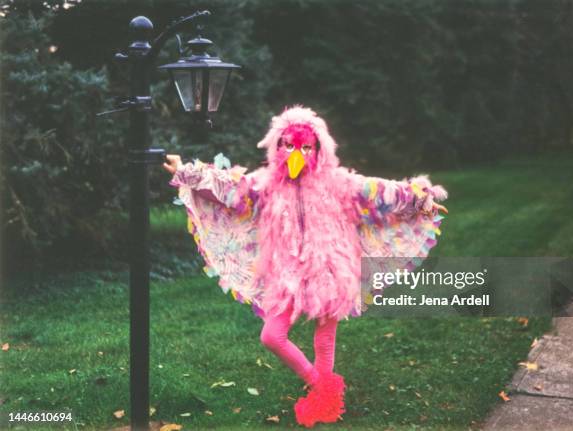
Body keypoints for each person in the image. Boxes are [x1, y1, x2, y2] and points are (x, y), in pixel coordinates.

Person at [163, 106, 448, 427]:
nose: (295, 152)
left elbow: (380, 192)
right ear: (277, 146)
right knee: (272, 335)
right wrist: (186, 170)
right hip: (286, 272)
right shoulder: (265, 184)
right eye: (288, 144)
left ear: (318, 149)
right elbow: (231, 189)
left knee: (325, 337)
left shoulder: (338, 183)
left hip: (329, 266)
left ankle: (327, 397)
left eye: (304, 146)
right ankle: (322, 385)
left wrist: (420, 199)